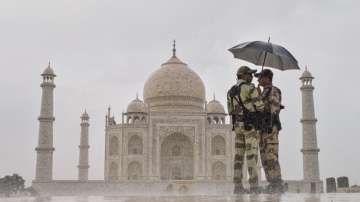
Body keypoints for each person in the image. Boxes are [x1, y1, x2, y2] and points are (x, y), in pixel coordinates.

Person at [227, 66, 264, 194]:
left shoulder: (231, 91)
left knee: (238, 157)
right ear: (243, 75)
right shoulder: (250, 88)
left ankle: (237, 186)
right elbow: (260, 107)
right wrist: (258, 94)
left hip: (238, 127)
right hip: (250, 127)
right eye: (250, 74)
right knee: (251, 155)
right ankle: (254, 186)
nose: (252, 76)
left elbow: (230, 111)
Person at [255, 69, 286, 193]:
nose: (258, 80)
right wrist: (258, 97)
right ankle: (271, 183)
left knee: (271, 155)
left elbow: (273, 109)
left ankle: (277, 183)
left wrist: (260, 101)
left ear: (267, 78)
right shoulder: (263, 93)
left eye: (260, 77)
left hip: (270, 127)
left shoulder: (274, 91)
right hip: (262, 129)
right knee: (264, 158)